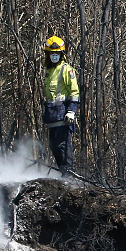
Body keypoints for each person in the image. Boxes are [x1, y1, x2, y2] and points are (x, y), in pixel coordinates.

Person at [42, 35, 80, 176]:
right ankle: (64, 174)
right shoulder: (49, 72)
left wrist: (71, 111)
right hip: (52, 116)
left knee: (63, 145)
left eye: (57, 54)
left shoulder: (66, 70)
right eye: (52, 54)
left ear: (61, 54)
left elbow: (74, 92)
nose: (54, 56)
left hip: (63, 115)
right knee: (54, 146)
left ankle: (69, 175)